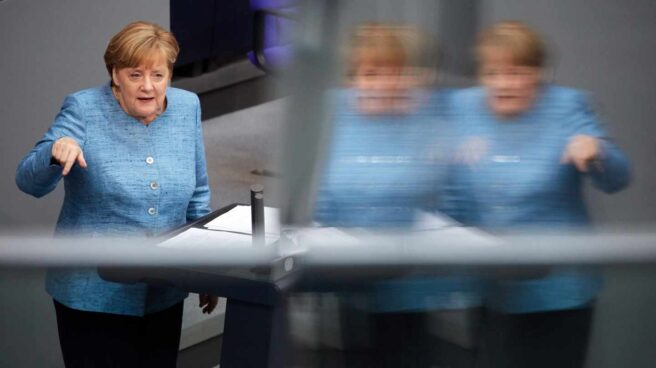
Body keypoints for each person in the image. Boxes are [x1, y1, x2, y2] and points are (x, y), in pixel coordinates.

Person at [16, 21, 217, 367]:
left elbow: (198, 194)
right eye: (135, 74)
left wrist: (209, 269)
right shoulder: (83, 109)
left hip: (163, 291)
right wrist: (55, 150)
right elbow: (28, 181)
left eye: (158, 74)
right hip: (92, 295)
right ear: (115, 74)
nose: (149, 86)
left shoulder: (187, 107)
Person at [442, 21, 631, 368]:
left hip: (559, 288)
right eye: (493, 72)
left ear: (538, 75)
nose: (503, 83)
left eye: (516, 72)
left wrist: (597, 152)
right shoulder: (462, 107)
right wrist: (444, 158)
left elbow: (619, 178)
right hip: (489, 286)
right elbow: (445, 188)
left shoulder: (567, 106)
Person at [313, 23, 481, 368]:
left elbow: (457, 203)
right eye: (371, 74)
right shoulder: (335, 112)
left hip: (418, 294)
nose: (384, 84)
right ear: (352, 77)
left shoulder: (435, 117)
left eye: (396, 73)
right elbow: (317, 192)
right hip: (347, 284)